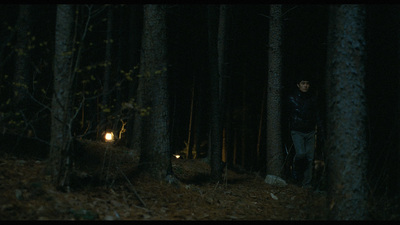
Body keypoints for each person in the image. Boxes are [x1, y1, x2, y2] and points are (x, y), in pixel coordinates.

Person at [288, 77, 324, 189]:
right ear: (298, 85)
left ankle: (306, 184)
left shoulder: (312, 99)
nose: (305, 86)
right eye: (303, 83)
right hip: (297, 131)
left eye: (307, 83)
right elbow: (287, 115)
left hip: (310, 132)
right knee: (301, 154)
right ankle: (295, 172)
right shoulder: (292, 98)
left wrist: (321, 130)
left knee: (309, 157)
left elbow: (317, 115)